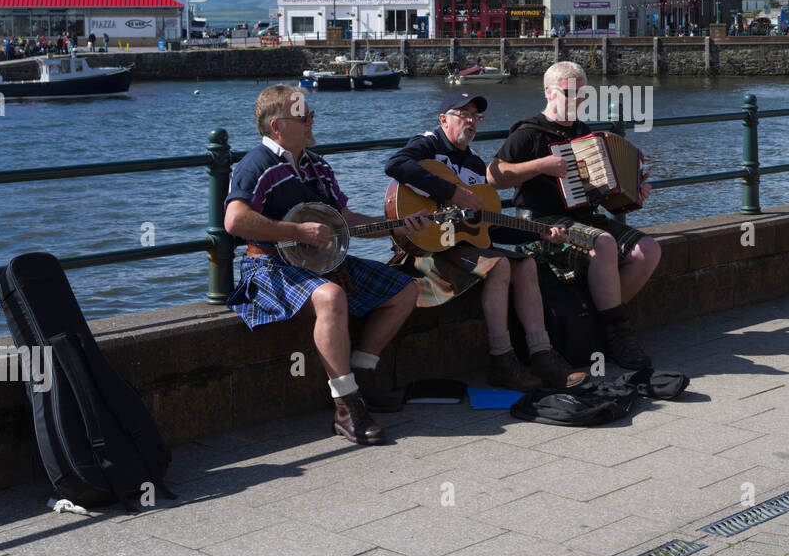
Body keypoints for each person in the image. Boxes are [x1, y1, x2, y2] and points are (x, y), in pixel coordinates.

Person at [224, 84, 427, 446]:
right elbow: (234, 221)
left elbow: (344, 219)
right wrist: (296, 230)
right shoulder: (257, 164)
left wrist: (395, 225)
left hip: (319, 264)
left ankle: (362, 377)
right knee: (331, 297)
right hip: (269, 265)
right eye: (303, 116)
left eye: (311, 114)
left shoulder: (317, 166)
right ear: (277, 126)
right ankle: (347, 408)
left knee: (405, 289)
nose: (312, 121)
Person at [384, 91, 584, 392]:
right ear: (443, 119)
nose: (471, 121)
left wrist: (539, 232)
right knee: (500, 265)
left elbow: (487, 228)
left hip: (460, 247)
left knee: (527, 263)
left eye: (476, 116)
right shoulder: (427, 144)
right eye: (463, 114)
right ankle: (502, 360)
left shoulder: (476, 166)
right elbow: (395, 164)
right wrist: (451, 193)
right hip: (427, 249)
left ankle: (541, 353)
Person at [487, 61, 660, 370]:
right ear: (548, 92)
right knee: (604, 244)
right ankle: (618, 334)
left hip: (585, 218)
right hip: (541, 222)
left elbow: (604, 196)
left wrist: (633, 195)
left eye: (582, 94)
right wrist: (541, 166)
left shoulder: (585, 134)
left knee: (648, 250)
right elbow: (494, 176)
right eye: (569, 93)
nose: (577, 100)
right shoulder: (528, 133)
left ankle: (598, 324)